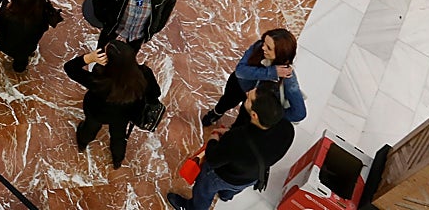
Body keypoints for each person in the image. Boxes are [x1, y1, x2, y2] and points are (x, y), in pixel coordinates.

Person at [165, 87, 294, 210]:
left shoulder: (237, 139)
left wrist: (213, 138)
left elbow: (212, 159)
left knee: (204, 189)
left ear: (254, 115)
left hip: (224, 176)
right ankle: (226, 195)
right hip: (253, 176)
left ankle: (192, 208)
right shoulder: (287, 129)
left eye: (249, 99)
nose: (247, 93)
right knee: (232, 189)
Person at [63, 41, 161, 169]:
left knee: (90, 127)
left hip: (98, 112)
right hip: (125, 116)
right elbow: (155, 93)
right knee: (119, 137)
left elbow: (69, 68)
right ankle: (117, 160)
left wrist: (89, 58)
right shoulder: (144, 74)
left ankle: (83, 143)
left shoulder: (99, 80)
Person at [202, 28, 306, 127]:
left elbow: (299, 113)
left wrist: (269, 113)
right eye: (264, 42)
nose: (263, 47)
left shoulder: (288, 78)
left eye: (269, 48)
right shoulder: (259, 47)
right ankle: (216, 114)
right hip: (239, 86)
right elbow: (240, 71)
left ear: (280, 54)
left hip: (254, 105)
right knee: (226, 102)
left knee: (241, 124)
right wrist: (270, 72)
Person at [0, 0, 59, 73]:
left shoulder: (13, 19)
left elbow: (2, 31)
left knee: (20, 56)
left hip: (13, 46)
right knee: (23, 57)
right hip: (31, 44)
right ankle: (20, 67)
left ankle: (19, 68)